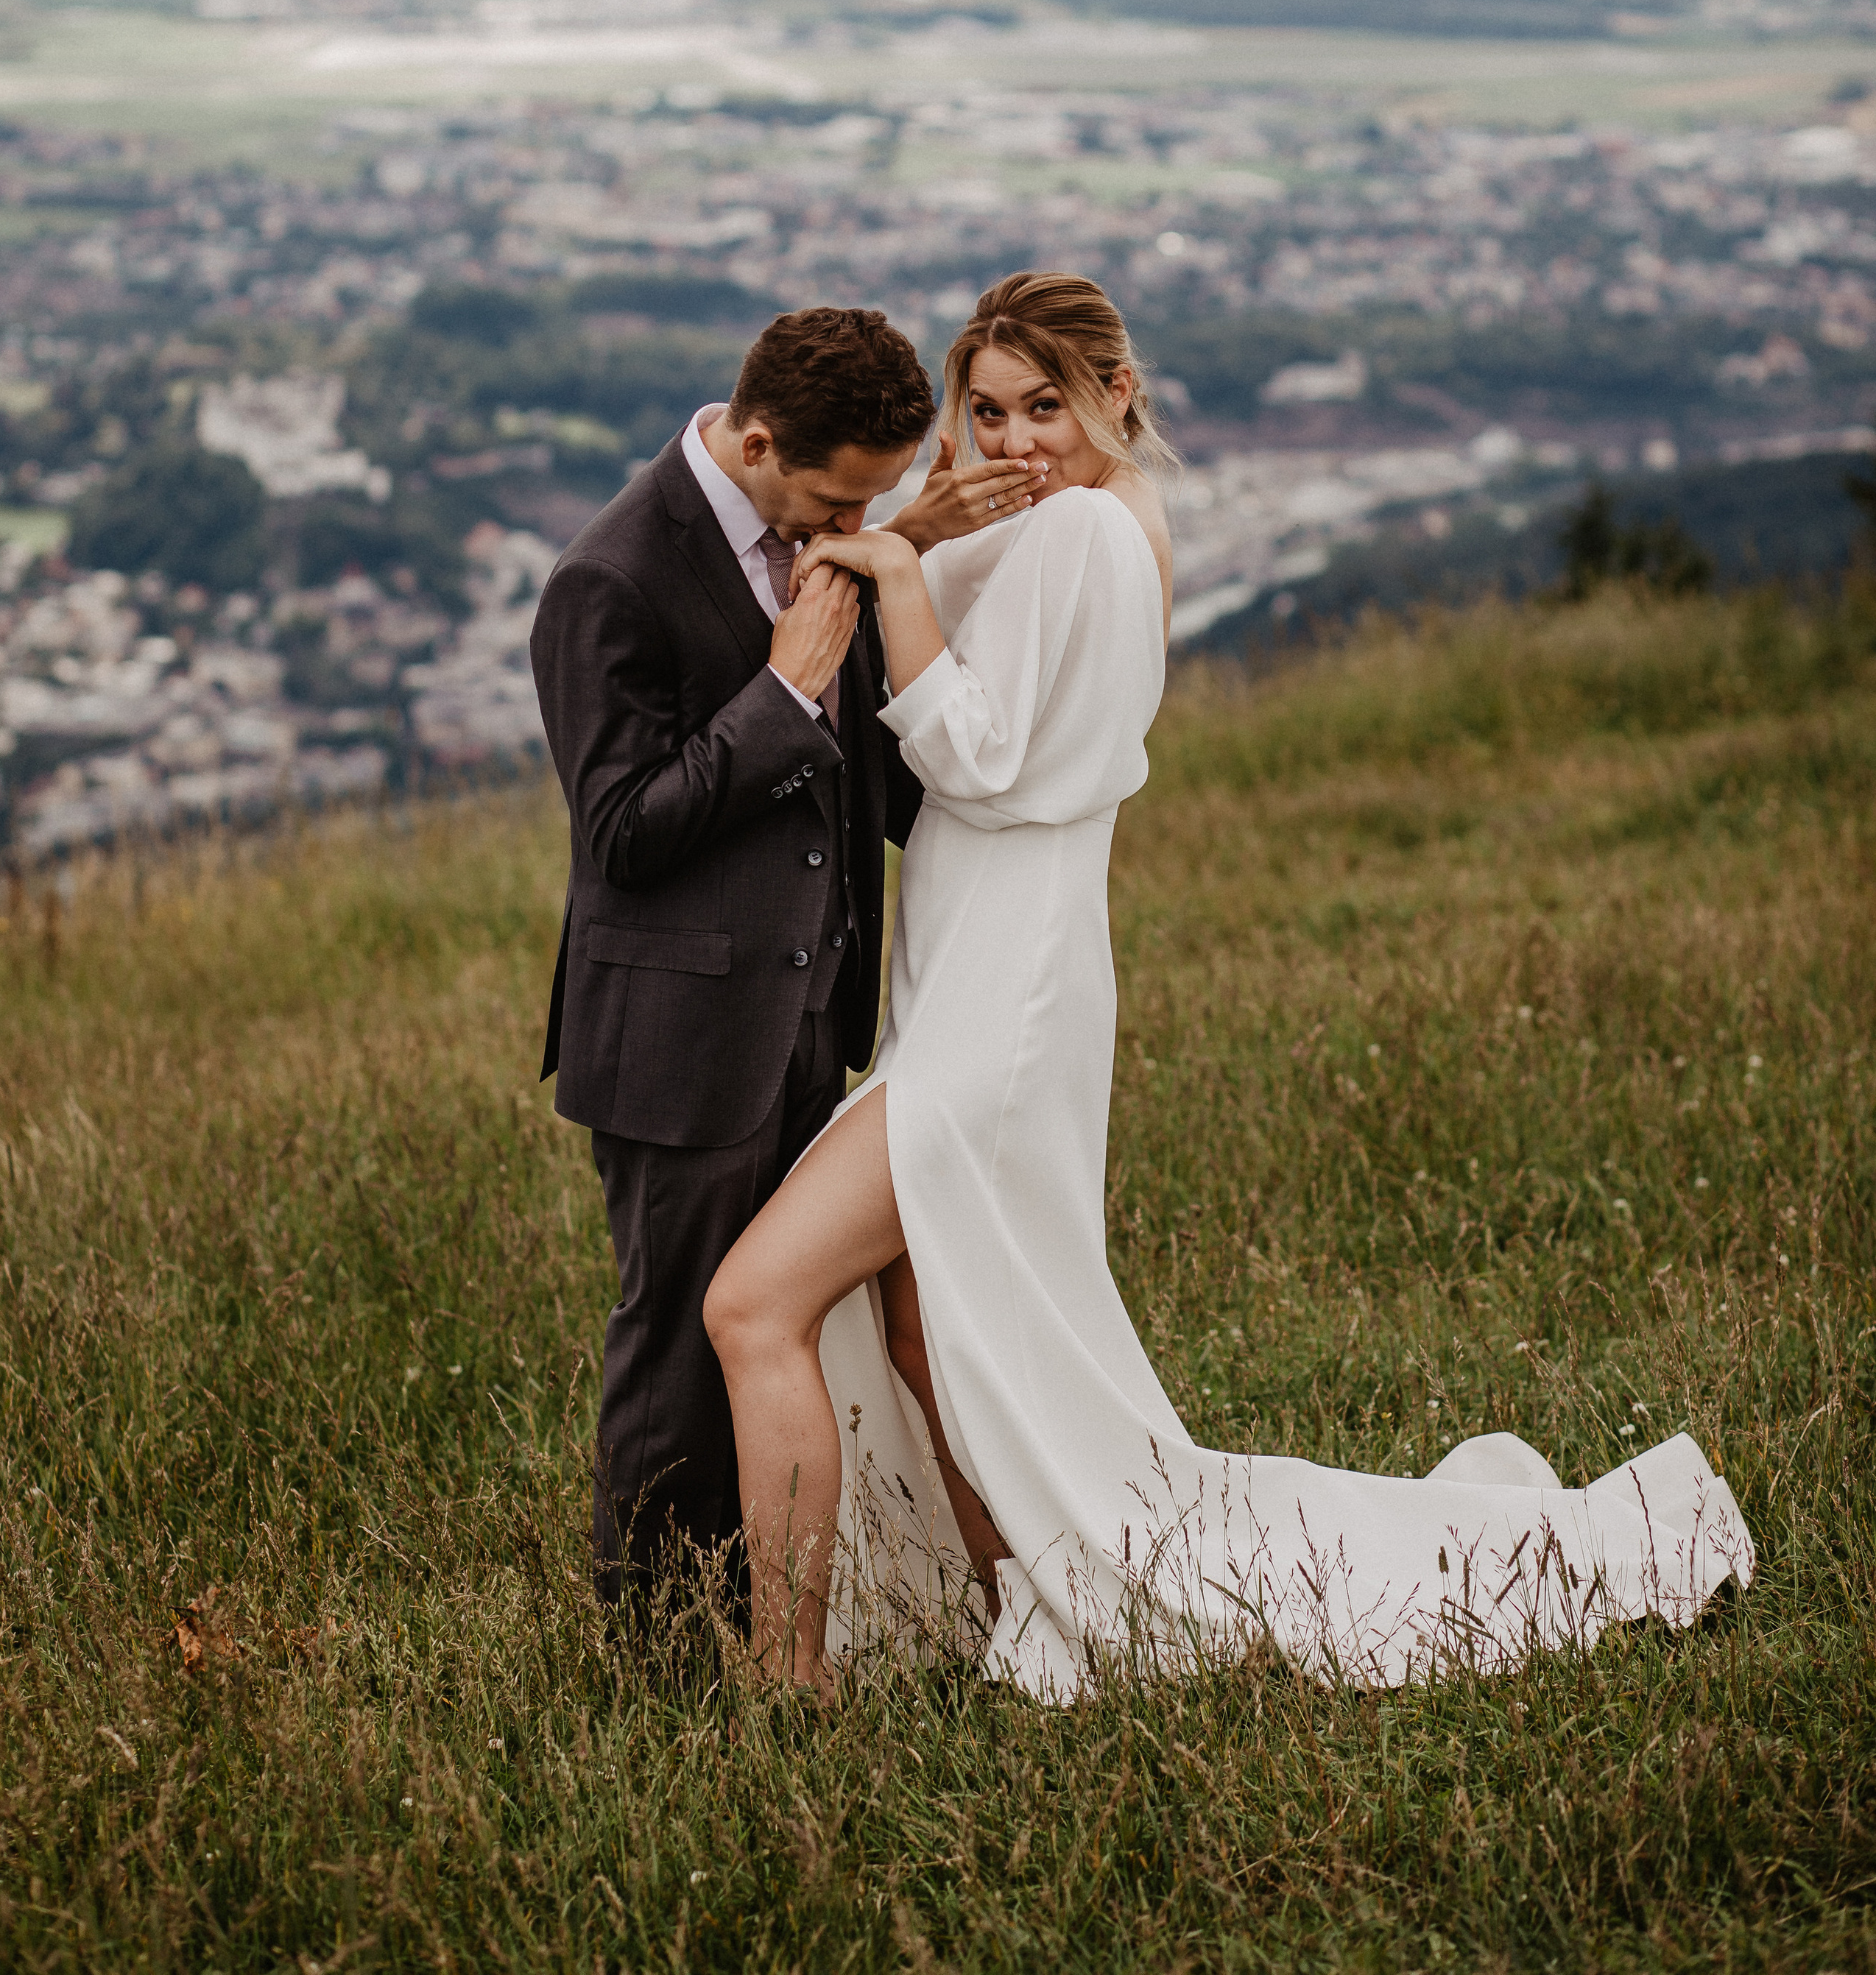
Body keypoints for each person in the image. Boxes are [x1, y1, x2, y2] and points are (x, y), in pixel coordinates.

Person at [702, 272, 1755, 1697]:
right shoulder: (1062, 520)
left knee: (758, 1299)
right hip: (978, 968)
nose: (1014, 442)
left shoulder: (1084, 528)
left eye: (1045, 409)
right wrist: (921, 532)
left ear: (1114, 397)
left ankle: (793, 1680)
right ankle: (1036, 1618)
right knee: (916, 1315)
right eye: (987, 412)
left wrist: (891, 569)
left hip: (999, 986)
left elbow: (981, 763)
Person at [528, 304, 1028, 1619]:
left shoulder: (827, 539)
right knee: (680, 1347)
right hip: (679, 1041)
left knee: (798, 1331)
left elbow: (871, 776)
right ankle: (656, 1644)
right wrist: (784, 694)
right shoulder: (610, 580)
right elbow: (622, 834)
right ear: (757, 443)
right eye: (831, 498)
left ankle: (804, 1606)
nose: (843, 523)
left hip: (818, 1020)